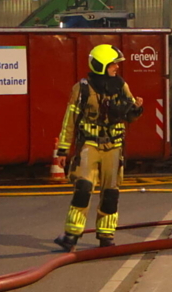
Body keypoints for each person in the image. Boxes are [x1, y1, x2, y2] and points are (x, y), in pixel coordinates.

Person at [53, 44, 144, 251]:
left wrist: (137, 109)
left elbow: (129, 115)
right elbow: (70, 119)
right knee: (83, 188)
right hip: (90, 144)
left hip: (114, 146)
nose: (116, 68)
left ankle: (106, 236)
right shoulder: (82, 89)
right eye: (113, 64)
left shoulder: (121, 86)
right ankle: (71, 236)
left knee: (111, 192)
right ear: (101, 65)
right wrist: (63, 150)